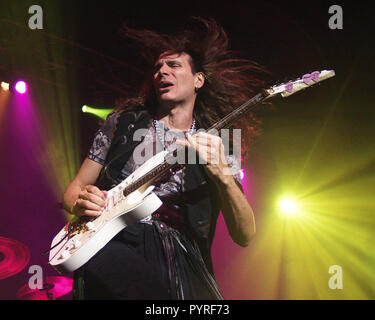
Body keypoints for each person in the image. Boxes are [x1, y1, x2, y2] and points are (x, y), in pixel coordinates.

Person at [63, 17, 263, 300]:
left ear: (198, 80)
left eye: (173, 65)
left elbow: (245, 235)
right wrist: (81, 201)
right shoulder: (122, 123)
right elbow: (74, 189)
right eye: (157, 67)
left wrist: (224, 179)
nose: (161, 72)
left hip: (180, 257)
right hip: (115, 241)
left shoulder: (220, 143)